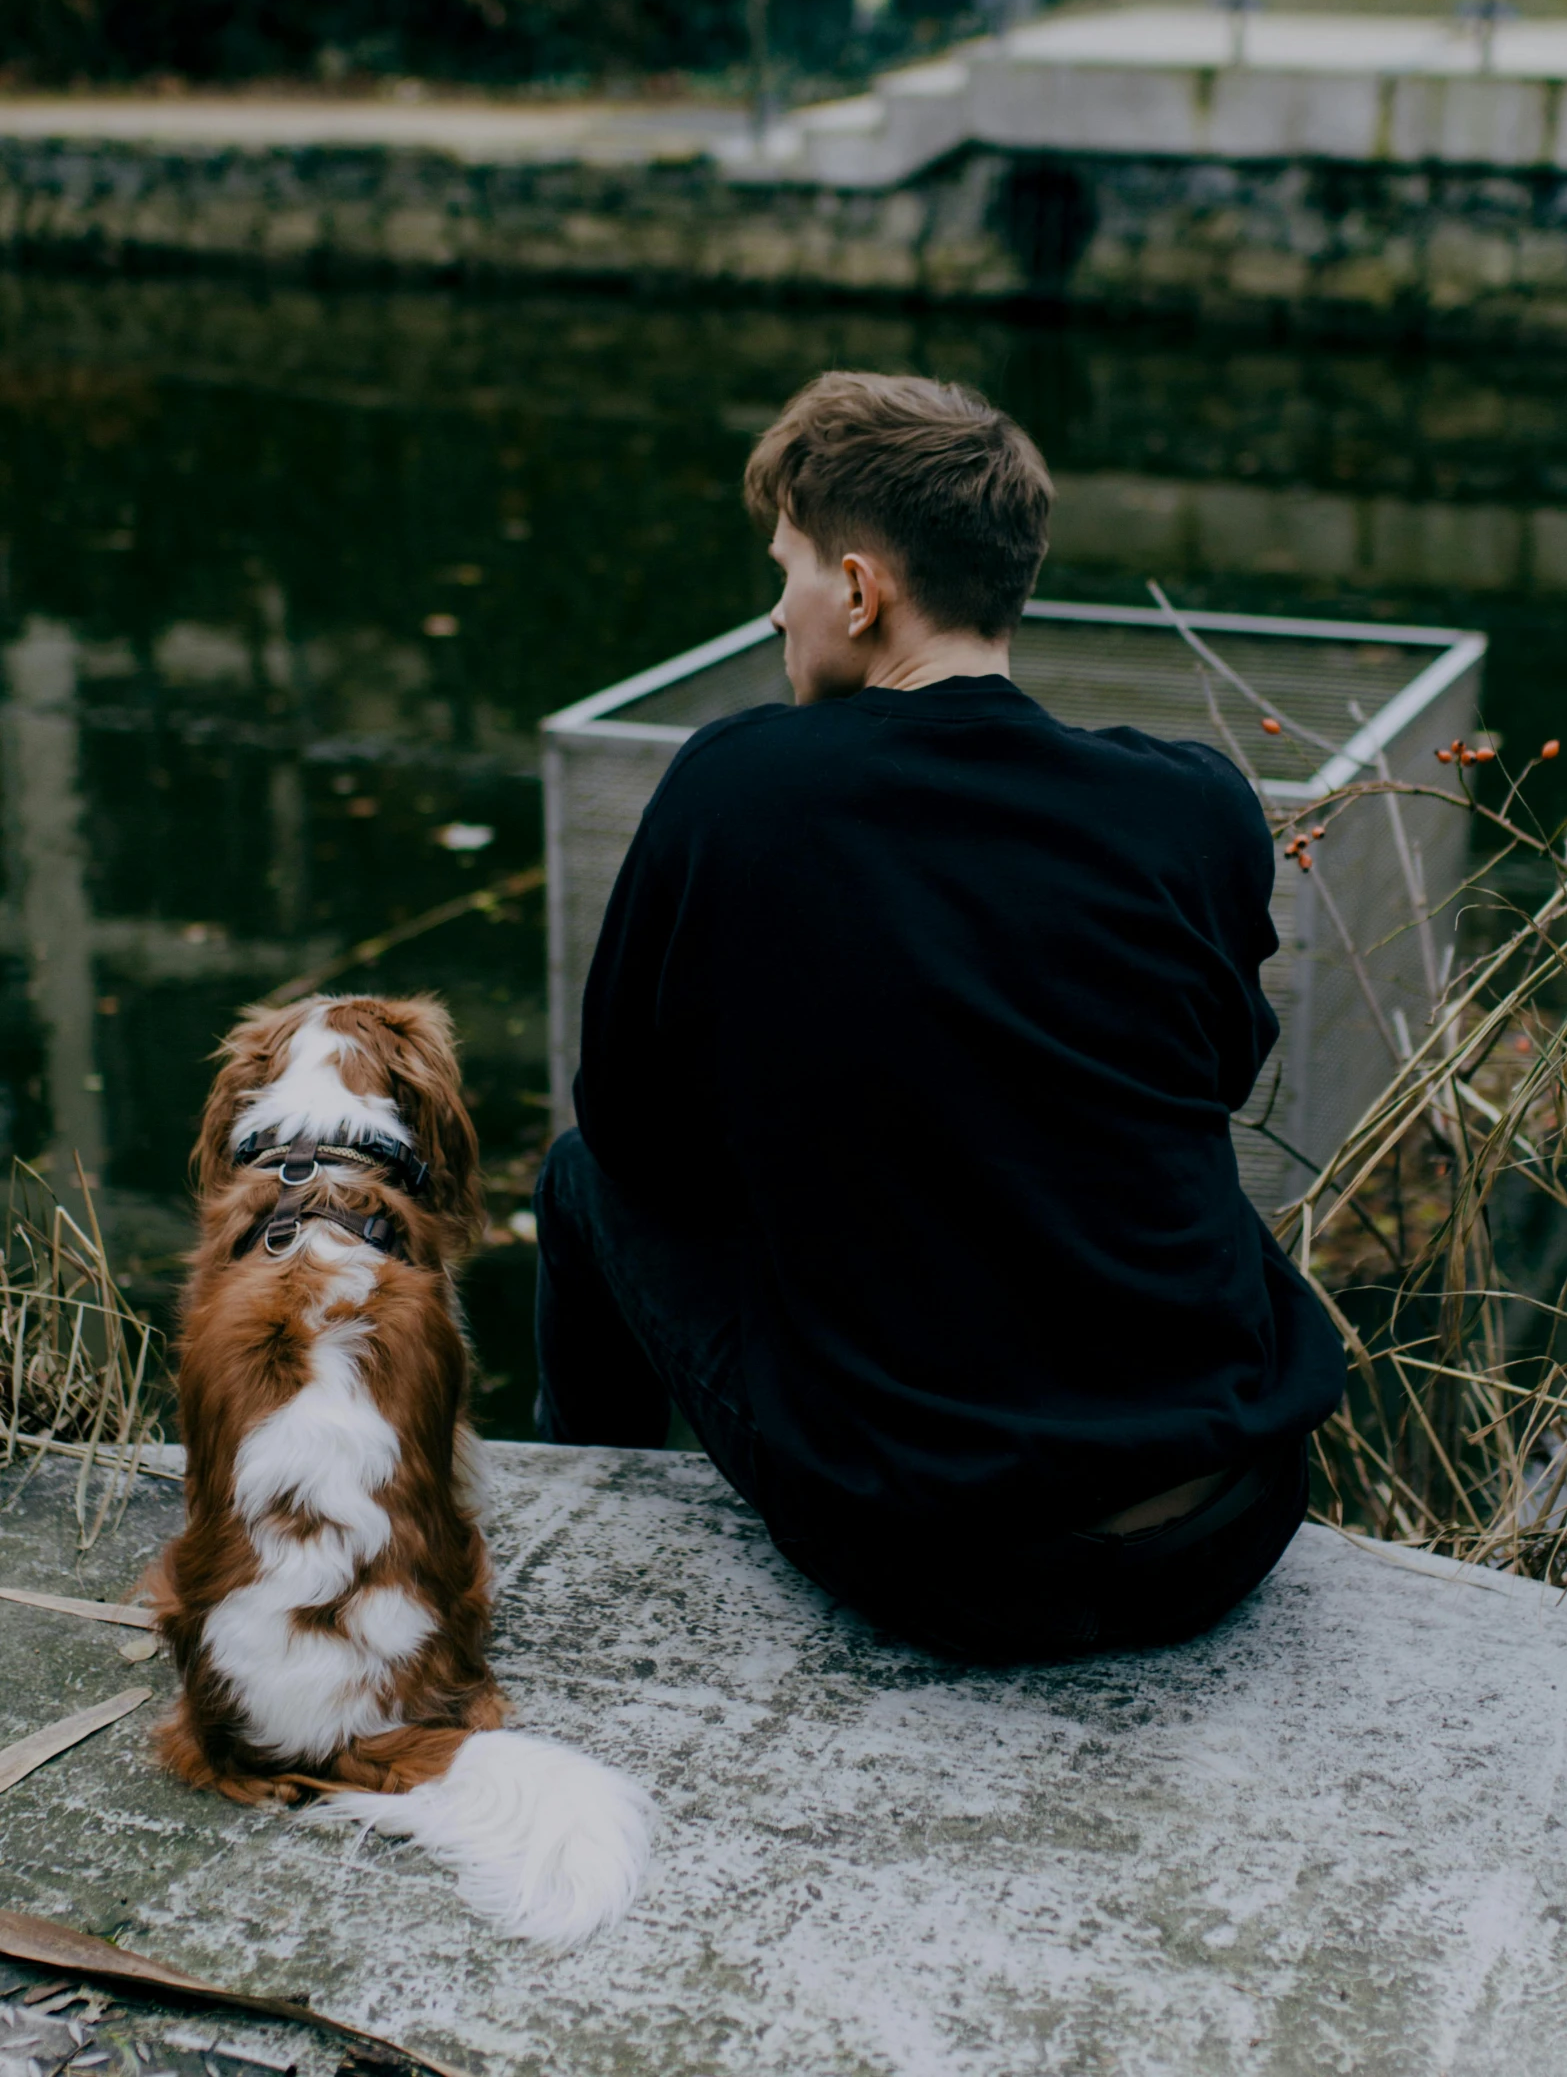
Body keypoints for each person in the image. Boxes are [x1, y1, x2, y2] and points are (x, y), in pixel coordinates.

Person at [532, 371, 1346, 1662]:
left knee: (578, 1179)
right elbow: (1213, 1071)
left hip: (951, 1566)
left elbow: (635, 1132)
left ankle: (572, 1526)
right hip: (1226, 1523)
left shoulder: (736, 788)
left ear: (858, 592)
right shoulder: (1192, 804)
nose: (776, 607)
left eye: (786, 569)